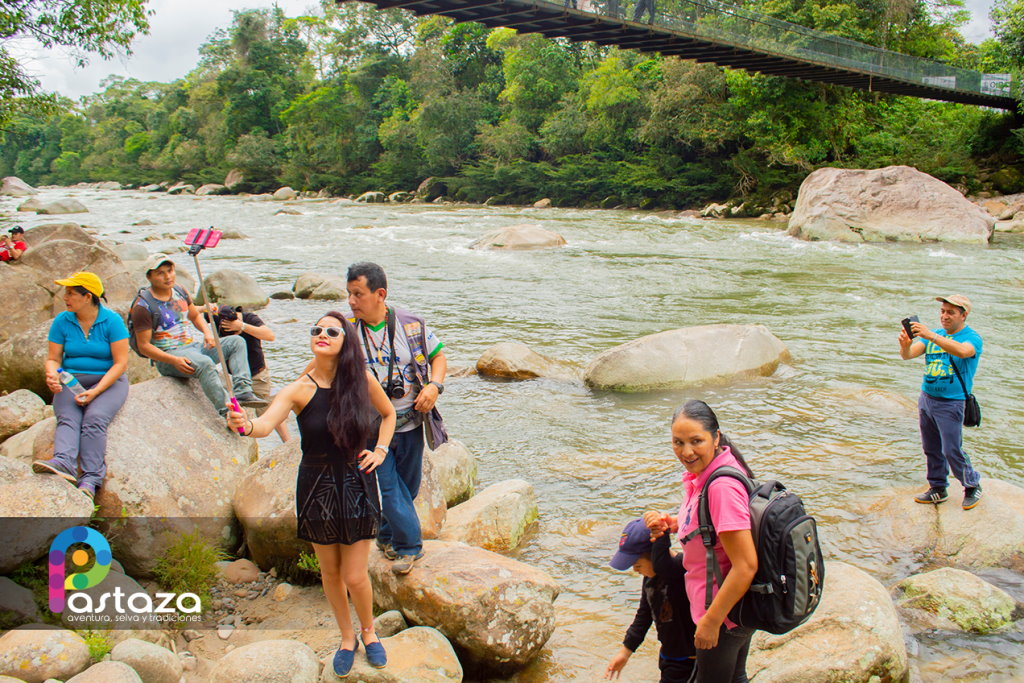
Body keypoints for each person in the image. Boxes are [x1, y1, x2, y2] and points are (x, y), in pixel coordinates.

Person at [226, 312, 396, 678]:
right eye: (316, 330)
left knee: (355, 576)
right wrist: (244, 425)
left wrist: (380, 450)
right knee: (330, 573)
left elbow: (388, 415)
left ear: (345, 341)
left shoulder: (362, 381)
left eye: (331, 331)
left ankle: (369, 632)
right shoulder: (298, 389)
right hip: (316, 485)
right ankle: (346, 638)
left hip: (356, 482)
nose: (321, 334)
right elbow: (264, 425)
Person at [346, 262, 448, 575]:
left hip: (412, 421)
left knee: (410, 487)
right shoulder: (348, 332)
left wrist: (434, 385)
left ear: (380, 294)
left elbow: (439, 357)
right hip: (372, 428)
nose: (351, 301)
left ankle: (386, 535)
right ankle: (409, 548)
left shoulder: (410, 324)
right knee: (389, 489)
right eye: (349, 294)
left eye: (358, 294)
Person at [645, 400, 757, 683]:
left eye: (696, 441)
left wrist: (711, 622)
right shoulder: (706, 476)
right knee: (735, 678)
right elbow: (714, 532)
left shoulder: (720, 487)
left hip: (723, 613)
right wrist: (678, 524)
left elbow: (746, 565)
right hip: (735, 609)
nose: (686, 451)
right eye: (678, 442)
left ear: (716, 437)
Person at [130, 253, 264, 416]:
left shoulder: (179, 290)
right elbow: (144, 347)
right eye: (160, 273)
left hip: (193, 348)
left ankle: (243, 391)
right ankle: (226, 411)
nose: (167, 276)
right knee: (206, 363)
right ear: (149, 276)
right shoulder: (143, 306)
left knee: (236, 341)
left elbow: (194, 315)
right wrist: (173, 360)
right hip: (169, 357)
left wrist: (207, 333)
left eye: (170, 270)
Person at [34, 272, 129, 500]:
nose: (65, 298)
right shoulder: (62, 321)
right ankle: (64, 462)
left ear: (88, 297)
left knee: (94, 419)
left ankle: (91, 479)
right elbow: (53, 358)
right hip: (71, 378)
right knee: (68, 418)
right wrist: (51, 375)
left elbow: (120, 364)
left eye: (70, 293)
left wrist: (96, 392)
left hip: (109, 381)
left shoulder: (112, 321)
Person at [899, 294, 983, 510]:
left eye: (950, 312)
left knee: (951, 449)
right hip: (927, 398)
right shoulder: (933, 336)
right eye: (943, 311)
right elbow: (908, 356)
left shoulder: (971, 337)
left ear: (963, 315)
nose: (944, 316)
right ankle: (938, 488)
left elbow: (964, 352)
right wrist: (905, 345)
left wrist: (929, 335)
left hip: (951, 403)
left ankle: (972, 485)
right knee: (931, 447)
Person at [604, 518, 696, 682]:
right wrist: (625, 653)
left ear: (655, 554)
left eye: (638, 565)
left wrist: (661, 533)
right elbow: (644, 615)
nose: (635, 570)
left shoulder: (681, 571)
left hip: (691, 660)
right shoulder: (650, 578)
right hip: (669, 656)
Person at [203, 303, 290, 441]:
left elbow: (270, 335)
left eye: (233, 330)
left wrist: (241, 327)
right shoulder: (218, 319)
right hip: (235, 378)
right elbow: (195, 313)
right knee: (236, 412)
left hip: (257, 375)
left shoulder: (249, 318)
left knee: (269, 411)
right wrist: (206, 309)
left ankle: (287, 442)